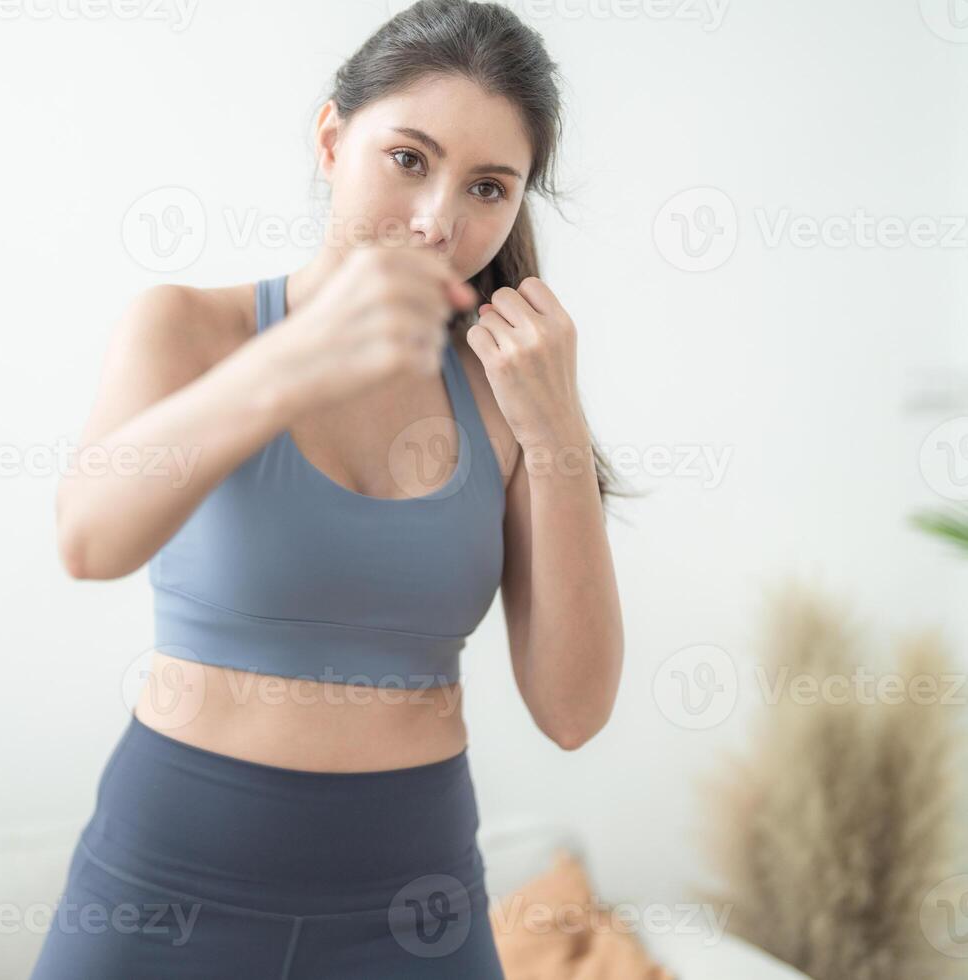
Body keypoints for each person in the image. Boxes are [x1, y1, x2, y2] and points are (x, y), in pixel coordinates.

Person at [33, 2, 625, 976]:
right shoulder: (188, 329)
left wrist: (557, 431)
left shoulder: (508, 389)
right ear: (331, 137)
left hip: (411, 910)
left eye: (488, 186)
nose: (439, 219)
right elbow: (88, 539)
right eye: (408, 159)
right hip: (164, 893)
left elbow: (573, 709)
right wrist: (301, 354)